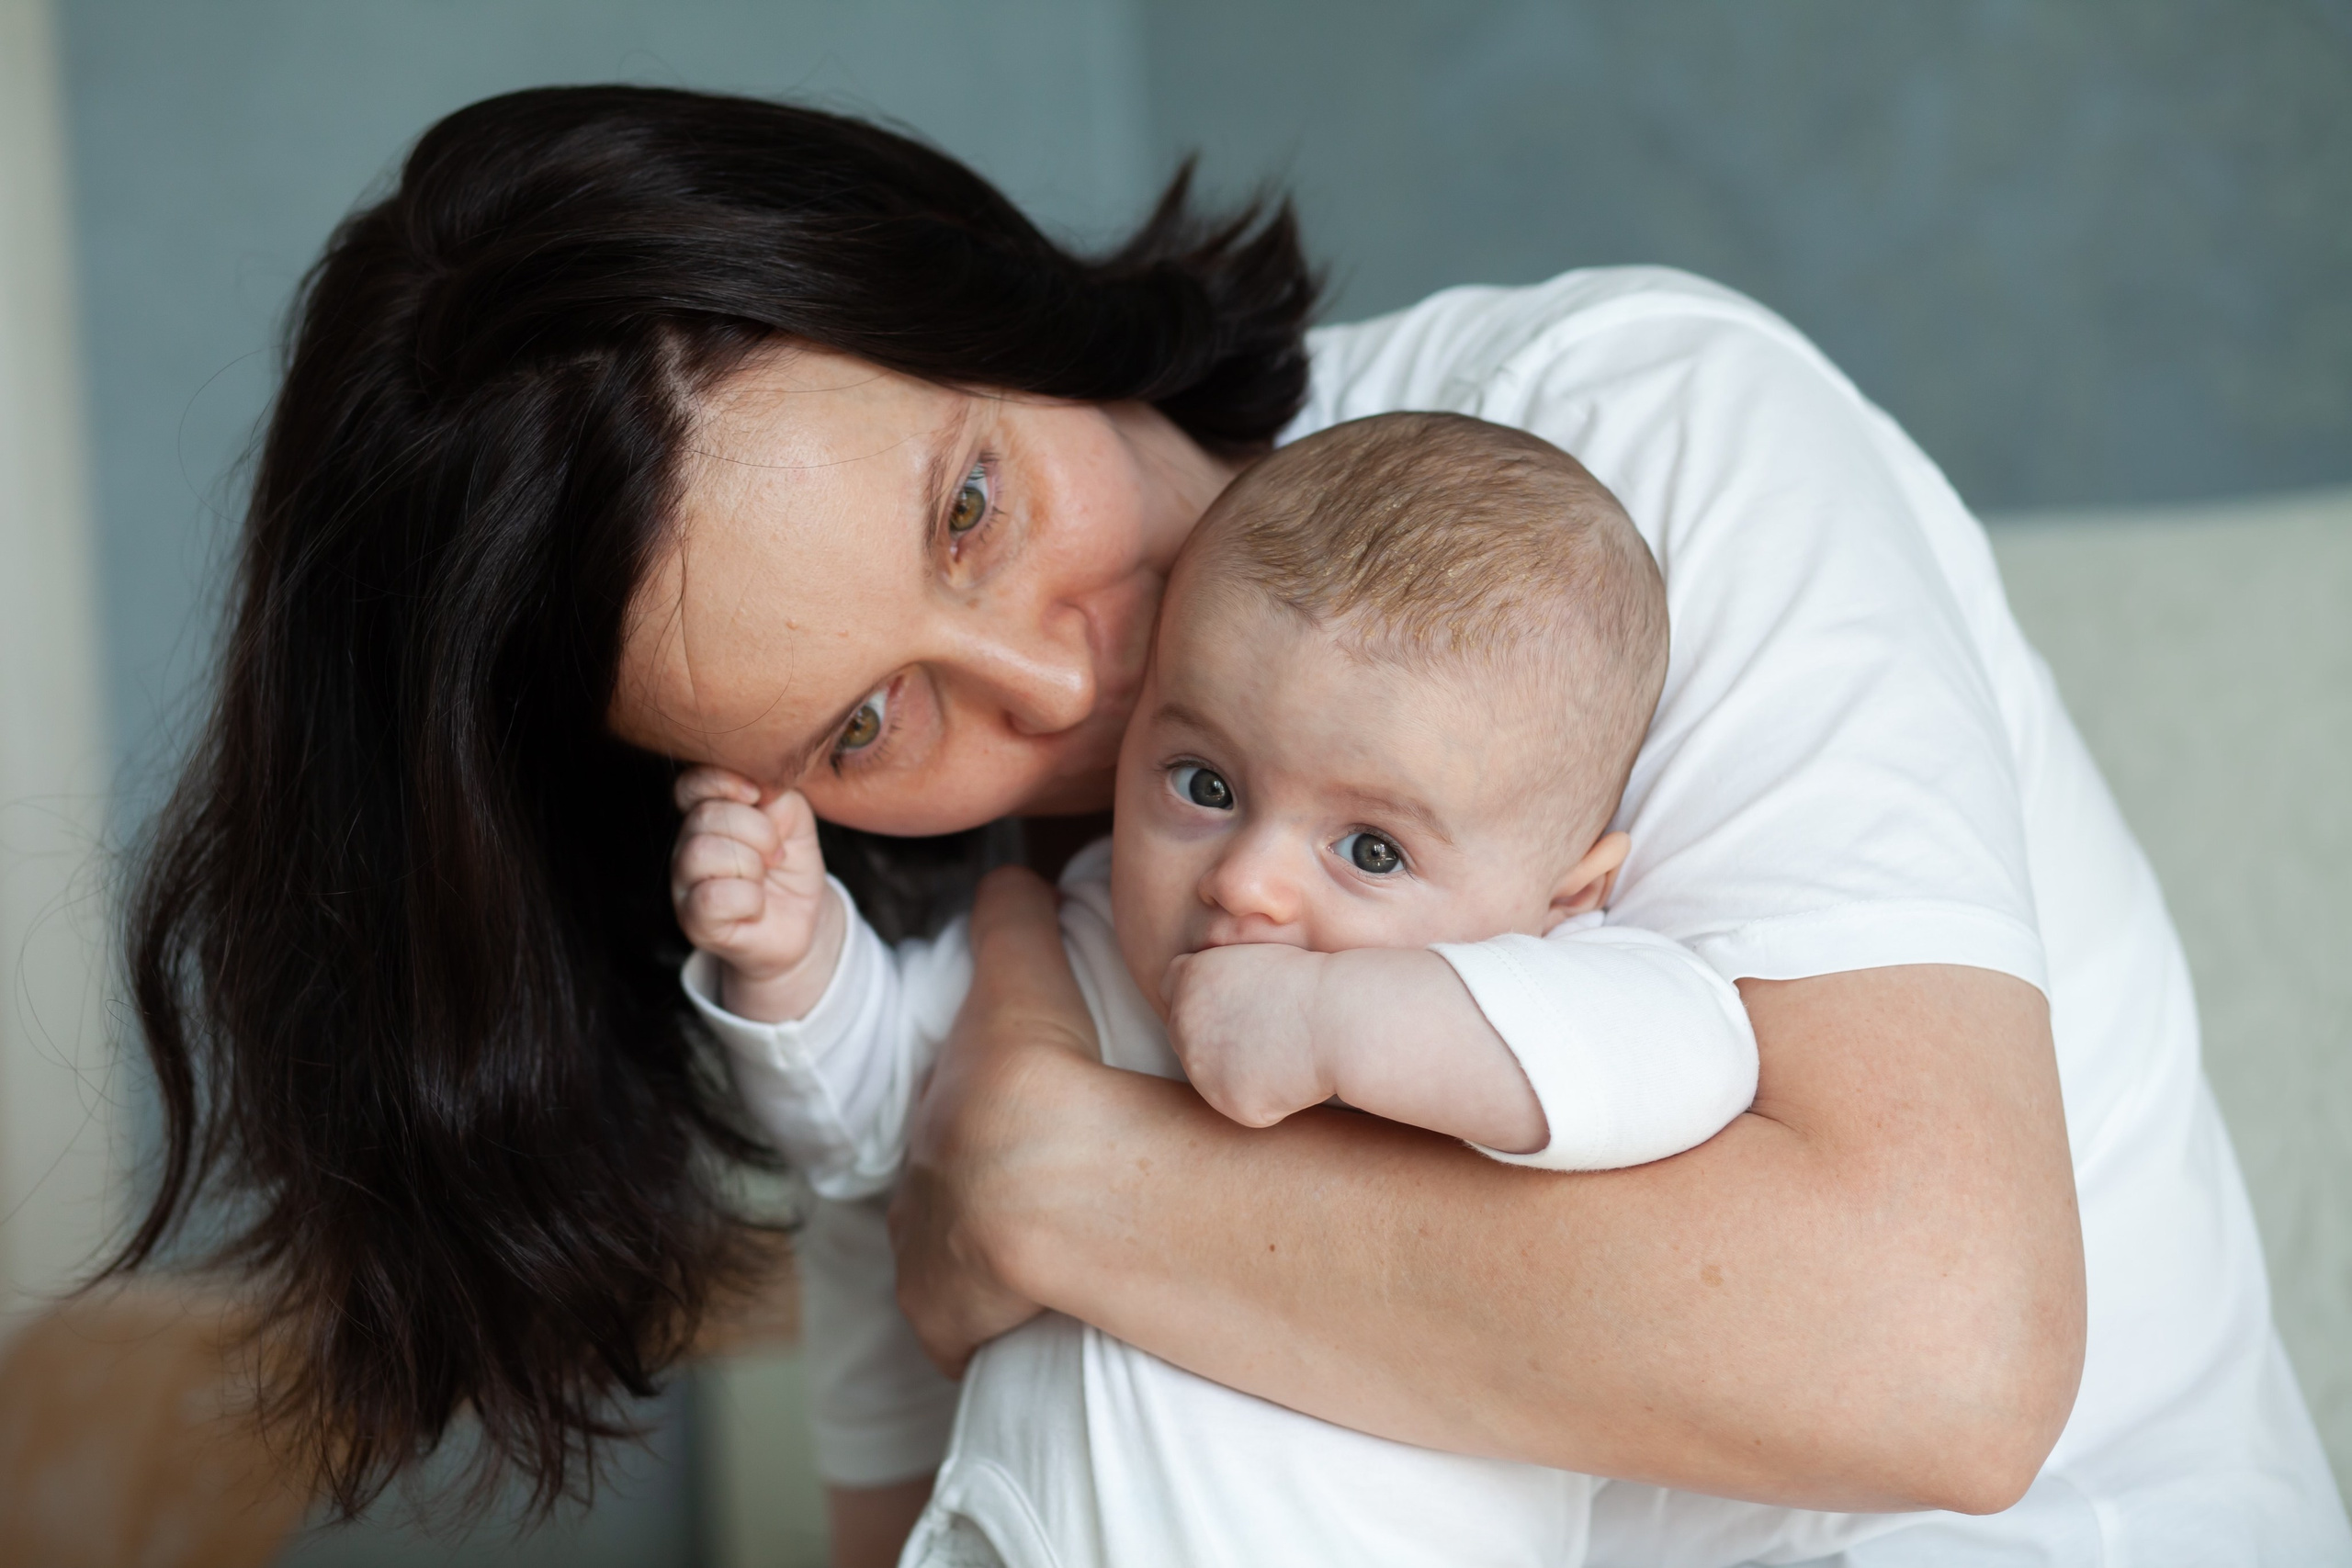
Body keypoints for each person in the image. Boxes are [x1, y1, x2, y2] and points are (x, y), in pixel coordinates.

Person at [111, 85, 2347, 1564]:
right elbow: (911, 1491)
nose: (1049, 689)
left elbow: (1945, 1360)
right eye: (868, 716)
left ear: (972, 294)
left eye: (969, 505)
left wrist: (1060, 1179)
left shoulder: (1622, 453)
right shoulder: (947, 923)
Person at [672, 412, 1760, 1568]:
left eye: (1371, 851)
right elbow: (872, 1122)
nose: (1246, 880)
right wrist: (795, 961)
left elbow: (1695, 1056)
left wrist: (1330, 1028)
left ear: (1565, 894)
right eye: (1203, 784)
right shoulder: (1084, 941)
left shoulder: (1549, 995)